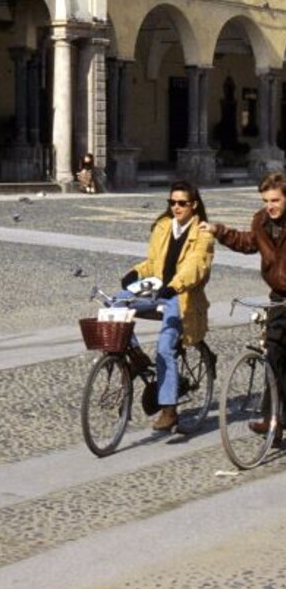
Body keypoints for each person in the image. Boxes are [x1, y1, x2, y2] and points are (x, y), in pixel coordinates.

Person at [117, 180, 213, 432]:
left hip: (180, 297)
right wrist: (134, 273)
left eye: (182, 203)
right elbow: (152, 263)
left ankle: (169, 410)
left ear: (193, 205)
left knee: (165, 347)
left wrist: (175, 285)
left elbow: (196, 266)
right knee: (114, 301)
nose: (176, 207)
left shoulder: (203, 234)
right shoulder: (162, 226)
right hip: (156, 290)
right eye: (172, 202)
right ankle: (136, 356)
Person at [200, 172, 286, 436]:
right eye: (265, 200)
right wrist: (219, 231)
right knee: (273, 356)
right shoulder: (261, 221)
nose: (269, 205)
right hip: (278, 297)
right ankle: (273, 418)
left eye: (275, 200)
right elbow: (248, 243)